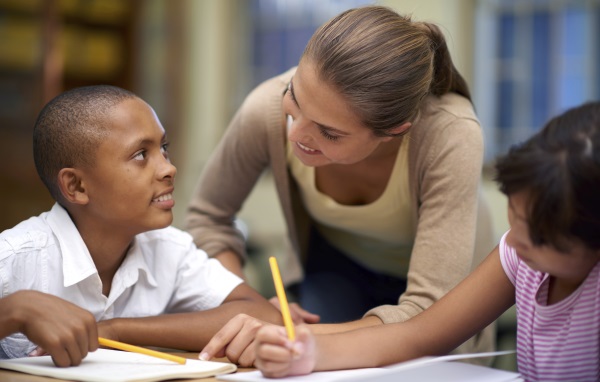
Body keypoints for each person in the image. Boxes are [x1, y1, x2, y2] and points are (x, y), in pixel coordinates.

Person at [187, 5, 495, 365]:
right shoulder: (265, 109)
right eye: (294, 98)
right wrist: (244, 304)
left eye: (329, 133)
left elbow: (426, 314)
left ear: (395, 131)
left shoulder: (449, 133)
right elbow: (210, 217)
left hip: (439, 293)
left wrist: (275, 334)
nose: (296, 132)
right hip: (338, 267)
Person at [254, 101, 600, 382]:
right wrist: (310, 352)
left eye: (543, 238)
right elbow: (418, 335)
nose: (518, 240)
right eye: (515, 214)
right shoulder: (518, 254)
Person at [0, 85, 282, 367]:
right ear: (77, 186)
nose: (168, 169)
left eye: (164, 149)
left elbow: (263, 314)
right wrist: (15, 310)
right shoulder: (13, 258)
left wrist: (116, 330)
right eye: (140, 155)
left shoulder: (168, 248)